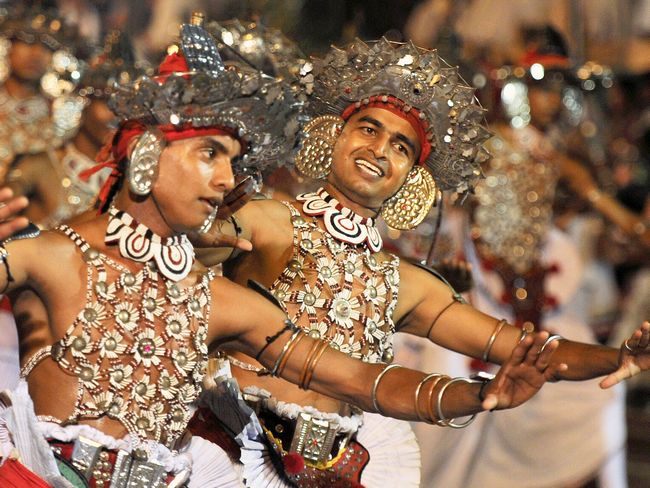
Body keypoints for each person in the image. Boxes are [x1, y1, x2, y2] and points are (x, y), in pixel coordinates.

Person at [0, 18, 568, 487]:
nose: (228, 179)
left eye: (234, 162)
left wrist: (479, 394)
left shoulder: (227, 305)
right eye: (211, 155)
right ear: (147, 155)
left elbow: (359, 381)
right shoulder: (56, 253)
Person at [193, 37, 650, 487]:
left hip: (334, 471)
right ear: (333, 135)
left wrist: (619, 356)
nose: (379, 150)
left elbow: (521, 349)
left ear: (412, 180)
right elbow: (202, 248)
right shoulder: (269, 219)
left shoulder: (406, 283)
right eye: (368, 129)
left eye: (400, 146)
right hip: (235, 454)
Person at [0, 5, 83, 182]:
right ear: (9, 43)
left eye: (48, 46)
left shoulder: (62, 121)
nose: (37, 54)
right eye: (28, 41)